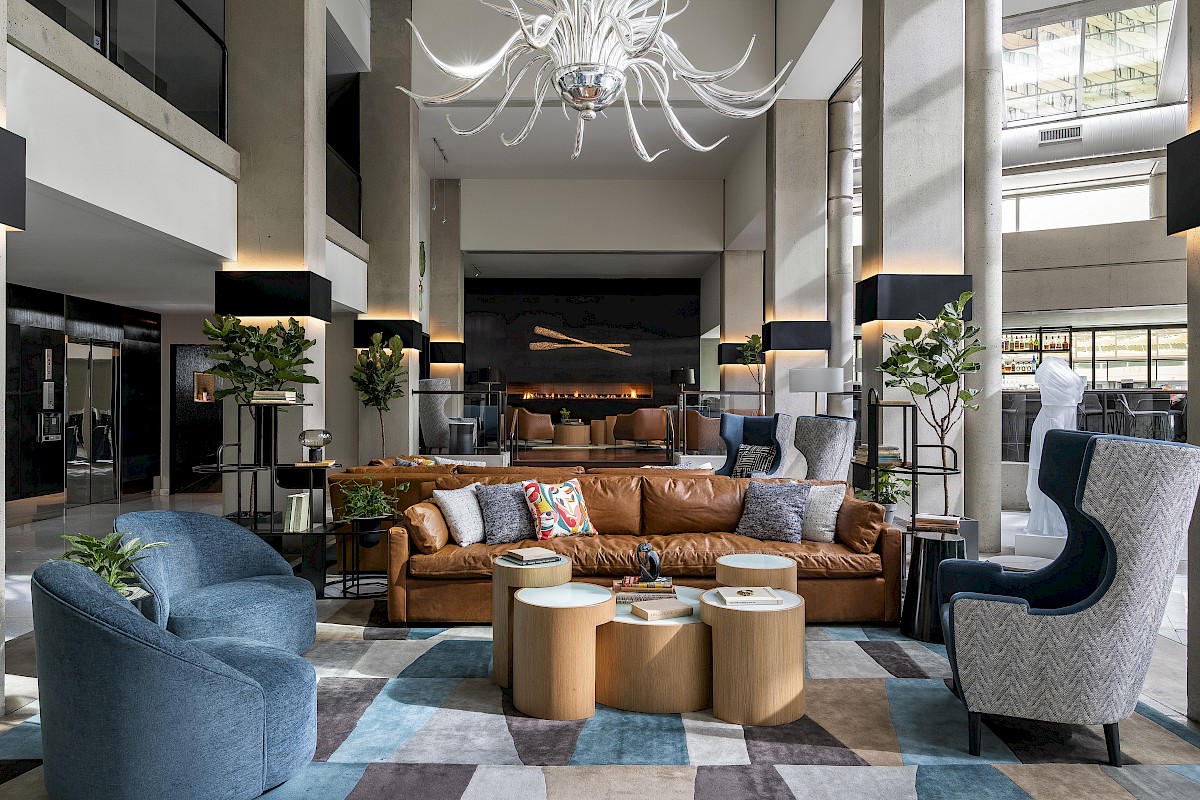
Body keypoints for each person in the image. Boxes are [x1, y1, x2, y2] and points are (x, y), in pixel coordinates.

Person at [1025, 357, 1086, 537]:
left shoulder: (1050, 371)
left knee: (1048, 472)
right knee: (1050, 472)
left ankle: (1049, 523)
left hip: (1051, 425)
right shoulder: (1068, 381)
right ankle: (1050, 523)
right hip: (1053, 425)